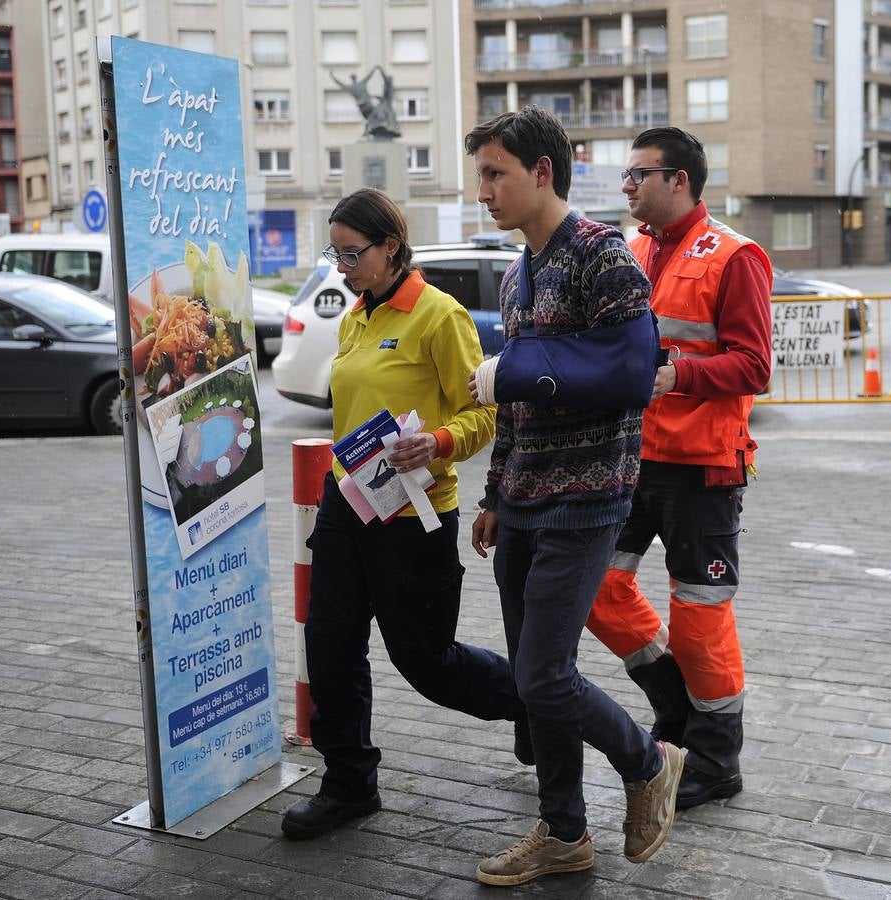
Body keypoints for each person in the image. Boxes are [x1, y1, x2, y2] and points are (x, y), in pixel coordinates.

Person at [465, 106, 685, 886]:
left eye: (496, 172)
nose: (483, 189)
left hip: (587, 500)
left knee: (542, 677)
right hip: (524, 499)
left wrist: (515, 370)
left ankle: (646, 762)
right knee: (537, 688)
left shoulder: (603, 256)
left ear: (541, 171)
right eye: (481, 173)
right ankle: (563, 833)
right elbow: (518, 405)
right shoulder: (521, 270)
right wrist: (493, 490)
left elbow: (630, 377)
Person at [280, 189, 523, 840]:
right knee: (329, 645)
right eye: (334, 252)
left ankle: (530, 701)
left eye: (352, 252)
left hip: (414, 515)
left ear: (391, 247)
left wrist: (438, 442)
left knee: (426, 662)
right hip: (346, 502)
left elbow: (484, 415)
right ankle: (348, 784)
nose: (341, 266)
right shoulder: (357, 314)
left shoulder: (437, 315)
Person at [584, 127, 772, 811]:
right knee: (595, 587)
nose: (626, 184)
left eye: (638, 173)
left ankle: (716, 761)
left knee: (698, 617)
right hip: (632, 460)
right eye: (626, 173)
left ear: (680, 181)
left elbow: (754, 366)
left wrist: (679, 375)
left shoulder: (735, 255)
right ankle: (673, 706)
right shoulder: (630, 251)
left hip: (702, 468)